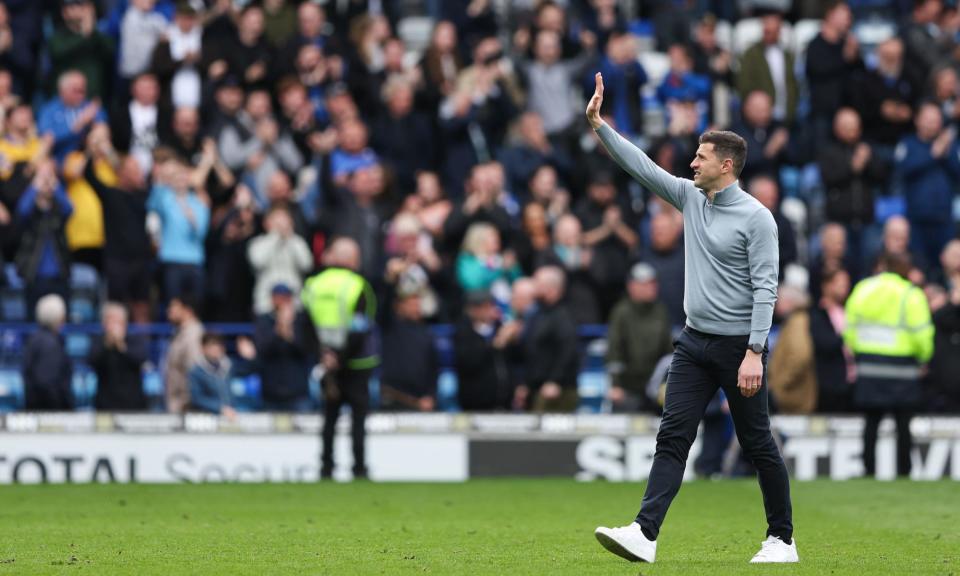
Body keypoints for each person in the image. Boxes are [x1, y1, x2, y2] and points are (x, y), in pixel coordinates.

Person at [586, 72, 796, 564]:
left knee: (758, 443)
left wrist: (755, 352)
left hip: (738, 349)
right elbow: (640, 166)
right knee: (673, 435)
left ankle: (782, 540)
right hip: (694, 344)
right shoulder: (689, 197)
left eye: (700, 157)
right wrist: (600, 125)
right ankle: (645, 532)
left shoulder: (757, 218)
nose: (690, 162)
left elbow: (767, 288)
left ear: (726, 165)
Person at [844, 253, 934, 478]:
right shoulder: (911, 294)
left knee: (871, 422)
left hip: (869, 365)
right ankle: (904, 471)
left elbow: (849, 328)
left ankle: (868, 470)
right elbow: (922, 333)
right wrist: (924, 357)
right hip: (902, 368)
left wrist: (859, 352)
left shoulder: (863, 288)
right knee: (903, 423)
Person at [301, 238, 378, 480]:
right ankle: (359, 468)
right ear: (354, 260)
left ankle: (326, 468)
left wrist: (324, 356)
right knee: (358, 420)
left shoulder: (313, 284)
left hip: (325, 361)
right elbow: (360, 328)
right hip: (357, 362)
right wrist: (341, 357)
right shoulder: (358, 285)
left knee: (329, 417)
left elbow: (304, 325)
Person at [605, 263, 674, 413]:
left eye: (653, 283)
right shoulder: (621, 312)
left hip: (655, 387)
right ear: (632, 286)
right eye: (645, 284)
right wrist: (616, 385)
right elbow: (614, 349)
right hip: (627, 387)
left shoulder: (660, 311)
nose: (651, 287)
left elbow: (668, 350)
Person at [523, 266, 580, 412]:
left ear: (552, 288)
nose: (533, 287)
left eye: (537, 283)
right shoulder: (538, 312)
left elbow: (568, 350)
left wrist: (555, 381)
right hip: (537, 386)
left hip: (556, 391)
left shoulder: (563, 315)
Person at [253, 284, 315, 412]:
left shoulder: (302, 320)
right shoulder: (263, 320)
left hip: (298, 393)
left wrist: (289, 335)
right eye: (278, 297)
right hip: (270, 393)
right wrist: (278, 330)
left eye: (286, 298)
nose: (282, 302)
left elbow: (308, 351)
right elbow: (261, 350)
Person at [453, 289, 518, 411]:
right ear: (473, 310)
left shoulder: (499, 328)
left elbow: (514, 361)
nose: (490, 310)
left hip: (504, 403)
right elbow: (468, 363)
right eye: (485, 307)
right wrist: (494, 345)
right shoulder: (463, 332)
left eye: (491, 306)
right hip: (476, 404)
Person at [379, 290, 439, 412]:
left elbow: (433, 368)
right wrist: (391, 281)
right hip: (393, 397)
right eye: (411, 304)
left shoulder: (426, 333)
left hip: (422, 401)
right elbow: (383, 306)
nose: (415, 308)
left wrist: (431, 396)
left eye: (417, 304)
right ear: (400, 306)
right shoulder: (390, 327)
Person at [88, 302, 148, 411]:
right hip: (105, 404)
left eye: (116, 321)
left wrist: (121, 346)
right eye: (110, 321)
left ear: (124, 323)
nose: (113, 326)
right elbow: (92, 361)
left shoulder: (135, 339)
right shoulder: (98, 341)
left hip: (133, 404)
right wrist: (108, 345)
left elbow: (140, 360)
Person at [22, 294, 72, 411]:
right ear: (59, 318)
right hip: (48, 413)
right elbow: (46, 384)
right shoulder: (50, 344)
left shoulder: (34, 339)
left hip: (35, 408)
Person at [188, 333, 256, 417]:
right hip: (208, 417)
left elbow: (250, 370)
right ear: (203, 348)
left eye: (219, 345)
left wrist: (250, 357)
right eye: (212, 345)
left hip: (232, 415)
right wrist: (220, 409)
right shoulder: (196, 371)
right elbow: (197, 399)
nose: (216, 349)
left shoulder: (229, 365)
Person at [163, 294, 204, 413]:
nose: (169, 311)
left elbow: (194, 370)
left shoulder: (193, 335)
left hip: (185, 406)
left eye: (174, 307)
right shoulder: (178, 333)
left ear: (188, 310)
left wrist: (188, 403)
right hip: (175, 403)